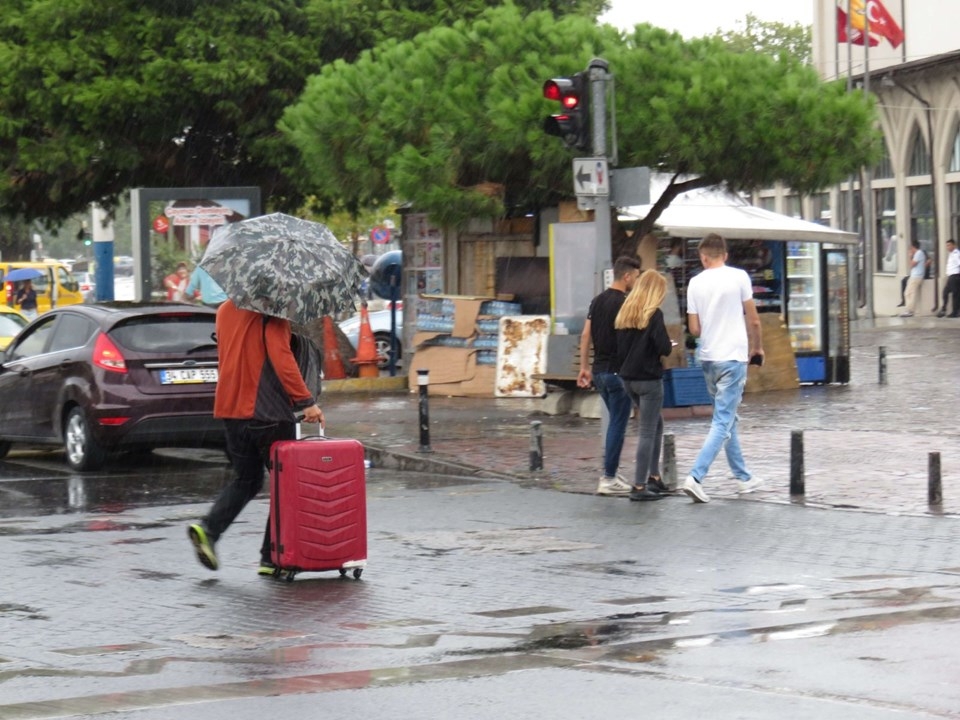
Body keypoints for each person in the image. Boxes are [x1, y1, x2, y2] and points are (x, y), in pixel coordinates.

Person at [187, 299, 324, 574]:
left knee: (247, 479)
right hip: (268, 413)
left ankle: (209, 529)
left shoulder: (225, 310)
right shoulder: (272, 314)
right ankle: (270, 557)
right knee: (286, 485)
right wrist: (306, 401)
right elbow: (281, 357)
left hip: (230, 410)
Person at [681, 233, 764, 503]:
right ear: (725, 255)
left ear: (703, 257)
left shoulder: (694, 283)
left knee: (727, 417)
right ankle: (695, 476)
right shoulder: (739, 277)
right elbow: (753, 320)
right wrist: (757, 348)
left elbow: (694, 329)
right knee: (721, 421)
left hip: (708, 358)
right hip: (733, 356)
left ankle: (743, 477)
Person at [577, 255, 642, 496]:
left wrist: (584, 367)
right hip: (618, 373)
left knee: (615, 421)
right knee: (617, 423)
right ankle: (609, 477)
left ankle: (611, 471)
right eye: (635, 276)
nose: (636, 280)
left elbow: (586, 335)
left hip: (600, 373)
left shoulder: (597, 301)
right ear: (626, 276)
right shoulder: (626, 302)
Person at [615, 269, 673, 502]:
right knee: (647, 432)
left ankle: (654, 477)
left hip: (628, 379)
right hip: (649, 380)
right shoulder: (653, 315)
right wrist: (669, 343)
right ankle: (639, 486)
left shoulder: (625, 314)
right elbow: (664, 348)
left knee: (656, 423)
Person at [900, 238, 926, 318]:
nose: (910, 250)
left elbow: (912, 264)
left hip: (916, 276)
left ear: (913, 247)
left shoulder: (918, 253)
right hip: (915, 276)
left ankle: (910, 310)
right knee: (908, 293)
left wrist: (910, 256)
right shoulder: (919, 253)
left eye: (911, 248)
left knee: (909, 293)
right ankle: (909, 309)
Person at [937, 239, 960, 318]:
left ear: (954, 245)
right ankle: (944, 309)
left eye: (949, 245)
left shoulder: (956, 254)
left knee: (955, 295)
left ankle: (955, 312)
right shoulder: (951, 254)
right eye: (947, 245)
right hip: (951, 276)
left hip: (955, 276)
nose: (948, 247)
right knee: (945, 292)